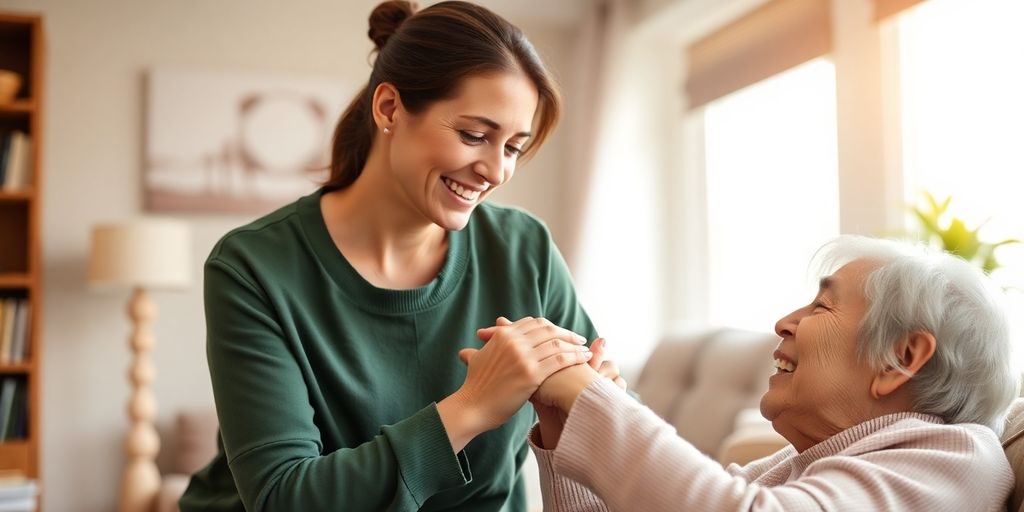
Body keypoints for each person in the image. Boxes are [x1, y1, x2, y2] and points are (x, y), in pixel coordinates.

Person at [179, 2, 606, 510]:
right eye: (474, 136)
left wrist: (594, 413)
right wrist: (473, 405)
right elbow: (280, 497)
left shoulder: (523, 249)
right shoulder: (253, 267)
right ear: (388, 108)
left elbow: (605, 430)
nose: (496, 171)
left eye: (512, 147)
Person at [527, 235, 1019, 511]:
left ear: (900, 358)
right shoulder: (801, 463)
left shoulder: (954, 457)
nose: (783, 323)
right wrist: (563, 422)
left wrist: (594, 401)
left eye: (822, 306)